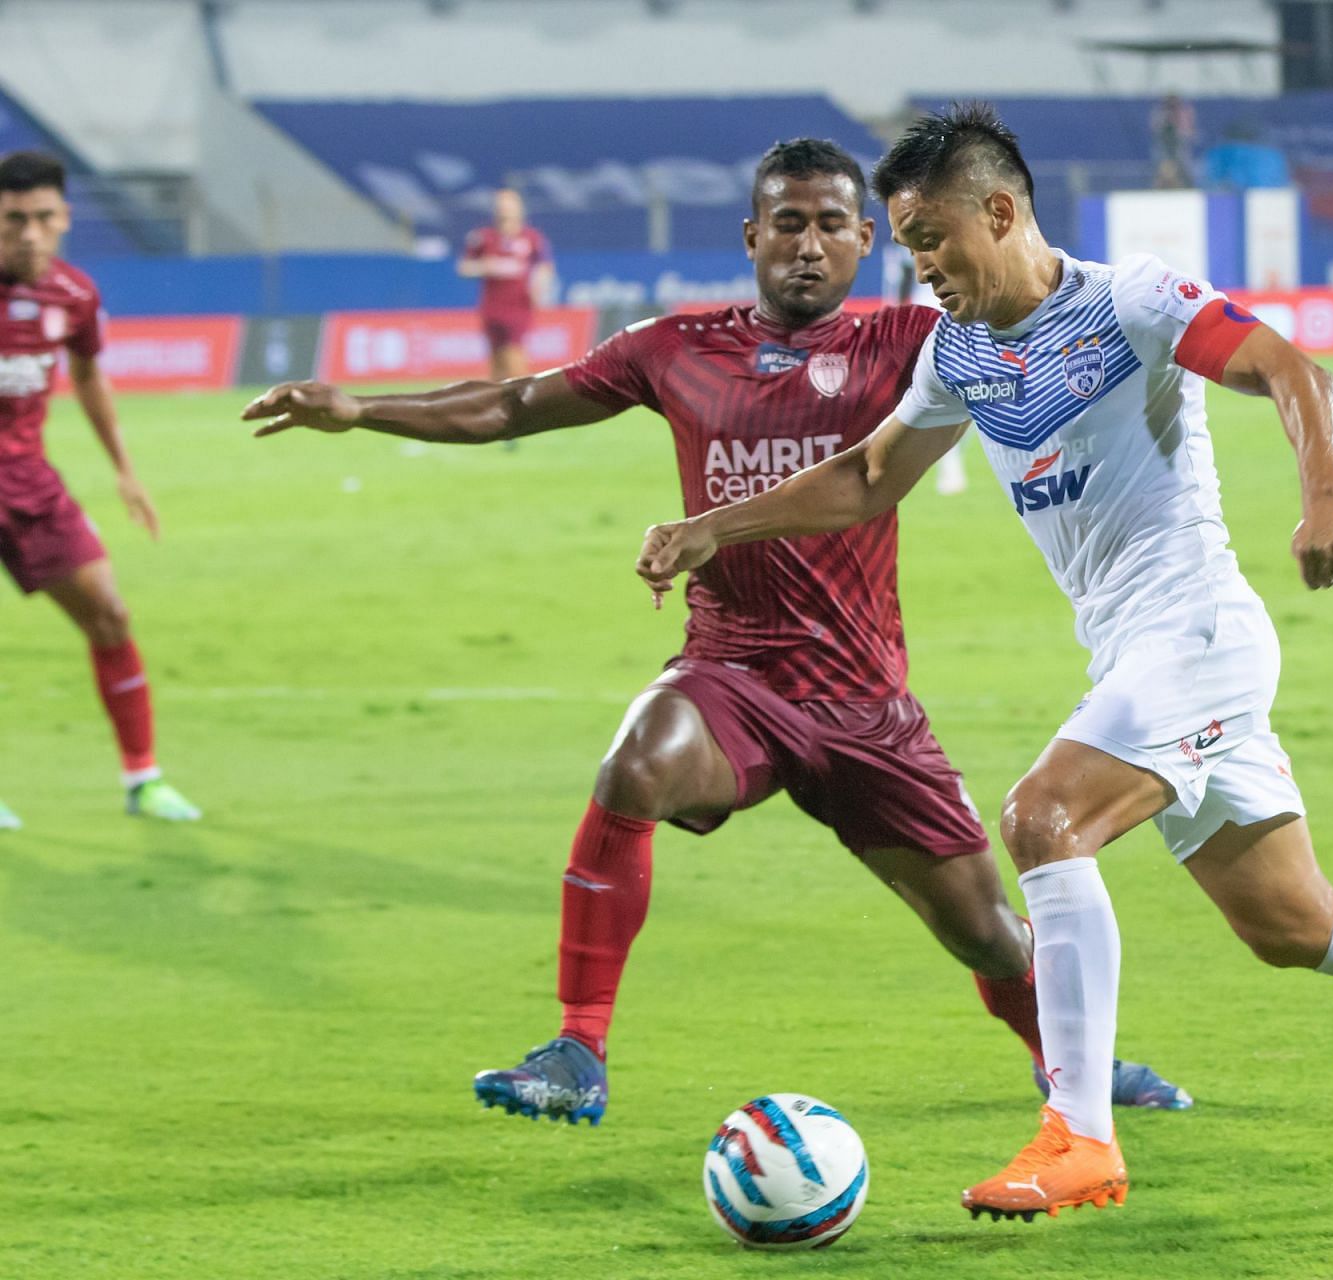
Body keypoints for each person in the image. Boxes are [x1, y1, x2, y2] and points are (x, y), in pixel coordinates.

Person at [636, 104, 1333, 1219]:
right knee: (1293, 922)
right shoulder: (960, 349)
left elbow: (1296, 373)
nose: (919, 266)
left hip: (1197, 634)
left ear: (1001, 211)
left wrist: (1326, 504)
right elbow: (870, 477)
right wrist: (714, 526)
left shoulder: (1129, 302)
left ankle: (1080, 1134)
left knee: (1042, 817)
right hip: (1137, 654)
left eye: (930, 239)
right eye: (909, 245)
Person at [244, 138, 1189, 1124]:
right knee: (638, 759)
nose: (810, 245)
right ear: (752, 236)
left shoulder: (911, 341)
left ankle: (1074, 1062)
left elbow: (1033, 334)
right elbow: (519, 400)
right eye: (789, 223)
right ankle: (578, 1046)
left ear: (868, 240)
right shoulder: (677, 346)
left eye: (832, 225)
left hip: (866, 700)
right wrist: (361, 410)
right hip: (731, 674)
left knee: (989, 931)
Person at [0, 150, 200, 826]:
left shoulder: (75, 295)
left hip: (29, 485)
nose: (28, 232)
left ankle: (143, 779)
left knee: (109, 614)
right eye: (12, 219)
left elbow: (88, 377)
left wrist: (124, 468)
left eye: (41, 217)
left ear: (64, 219)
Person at [888, 240, 968, 494]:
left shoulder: (952, 242)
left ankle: (950, 463)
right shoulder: (912, 254)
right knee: (931, 398)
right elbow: (903, 286)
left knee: (960, 399)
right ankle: (946, 464)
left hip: (951, 322)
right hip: (927, 325)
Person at [458, 187, 554, 381]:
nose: (505, 210)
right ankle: (498, 406)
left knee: (515, 359)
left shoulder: (531, 238)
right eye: (501, 206)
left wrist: (539, 288)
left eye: (509, 205)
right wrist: (486, 266)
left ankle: (526, 405)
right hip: (492, 308)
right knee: (496, 363)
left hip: (518, 307)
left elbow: (545, 266)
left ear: (519, 208)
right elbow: (464, 267)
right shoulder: (483, 237)